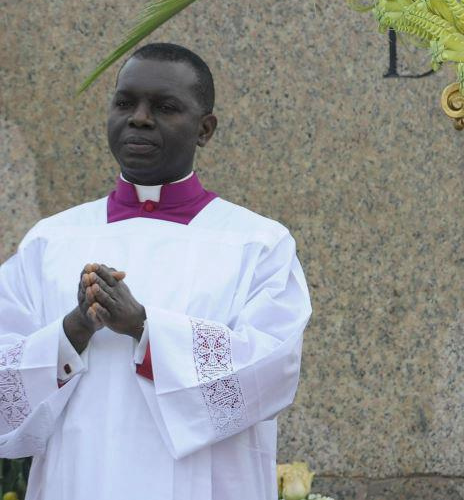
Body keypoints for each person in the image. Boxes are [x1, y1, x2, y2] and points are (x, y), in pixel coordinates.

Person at [0, 43, 311, 500]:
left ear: (205, 129)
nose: (140, 118)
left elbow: (271, 368)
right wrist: (73, 330)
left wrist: (144, 328)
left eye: (165, 107)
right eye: (125, 102)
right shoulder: (50, 241)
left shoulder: (258, 244)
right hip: (78, 479)